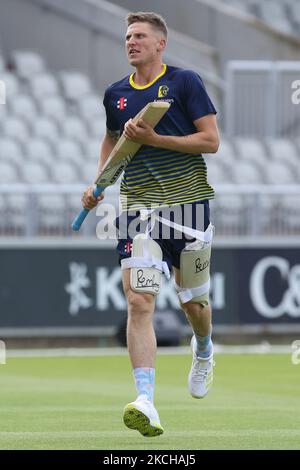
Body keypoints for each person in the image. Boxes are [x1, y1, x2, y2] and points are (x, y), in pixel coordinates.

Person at [82, 11, 220, 437]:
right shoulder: (116, 93)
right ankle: (145, 399)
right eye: (127, 36)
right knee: (140, 300)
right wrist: (99, 180)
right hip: (138, 210)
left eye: (140, 35)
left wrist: (156, 139)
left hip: (190, 208)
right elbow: (112, 137)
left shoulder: (184, 83)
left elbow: (210, 141)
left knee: (193, 304)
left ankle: (203, 349)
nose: (131, 42)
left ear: (161, 44)